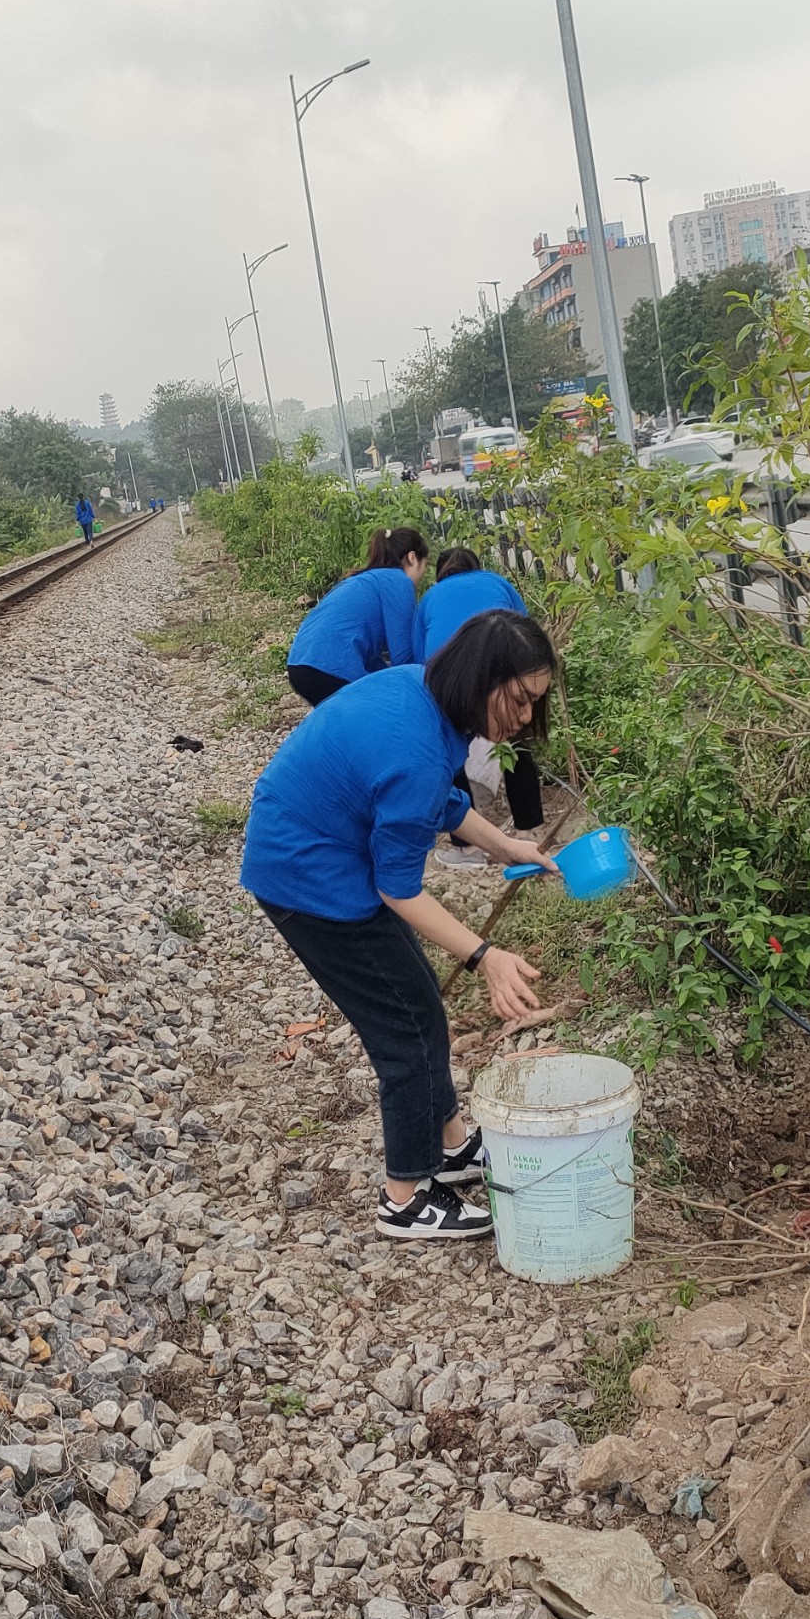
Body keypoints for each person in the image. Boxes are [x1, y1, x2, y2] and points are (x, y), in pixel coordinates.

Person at [241, 611, 558, 1239]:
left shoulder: (420, 692)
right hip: (310, 877)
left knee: (419, 1011)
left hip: (319, 851)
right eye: (519, 700)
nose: (524, 718)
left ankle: (450, 1144)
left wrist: (505, 846)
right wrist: (485, 955)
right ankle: (406, 1197)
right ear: (480, 678)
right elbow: (400, 891)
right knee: (407, 1029)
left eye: (534, 704)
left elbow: (436, 800)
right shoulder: (413, 745)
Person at [418, 548, 544, 847]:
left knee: (451, 749)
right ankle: (530, 828)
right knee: (516, 741)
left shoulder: (430, 597)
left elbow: (413, 657)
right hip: (504, 665)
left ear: (440, 573)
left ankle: (464, 845)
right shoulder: (497, 582)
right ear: (477, 566)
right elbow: (524, 631)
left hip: (451, 676)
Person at [283, 526, 426, 710]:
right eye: (425, 566)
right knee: (379, 718)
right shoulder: (399, 581)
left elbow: (371, 660)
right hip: (331, 666)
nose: (421, 577)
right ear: (413, 558)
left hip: (300, 664)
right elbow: (404, 659)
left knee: (350, 724)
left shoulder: (366, 579)